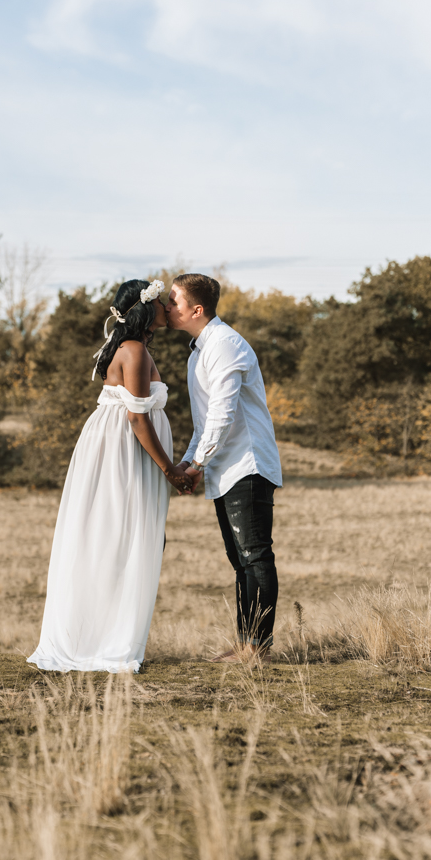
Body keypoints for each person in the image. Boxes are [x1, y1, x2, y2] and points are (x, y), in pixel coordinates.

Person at [27, 279, 191, 674]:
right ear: (144, 309)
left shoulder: (133, 347)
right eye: (162, 302)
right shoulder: (132, 351)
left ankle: (104, 633)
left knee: (120, 535)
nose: (169, 307)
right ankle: (100, 641)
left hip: (122, 448)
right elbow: (136, 417)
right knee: (116, 535)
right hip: (123, 451)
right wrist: (170, 470)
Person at [166, 274, 282, 661]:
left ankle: (259, 648)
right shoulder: (199, 350)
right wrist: (187, 459)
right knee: (240, 561)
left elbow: (224, 412)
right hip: (224, 465)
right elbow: (204, 422)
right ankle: (245, 644)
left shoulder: (226, 344)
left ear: (196, 310)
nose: (167, 307)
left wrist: (198, 463)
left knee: (255, 554)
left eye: (174, 301)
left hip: (246, 464)